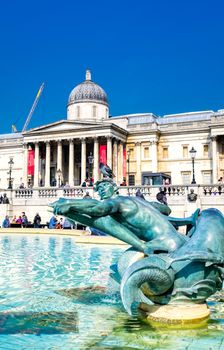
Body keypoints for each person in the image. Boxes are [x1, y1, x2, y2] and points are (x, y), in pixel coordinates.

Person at [51, 179, 195, 255]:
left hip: (164, 246)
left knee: (104, 220)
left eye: (103, 187)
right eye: (98, 189)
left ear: (115, 188)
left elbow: (98, 210)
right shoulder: (138, 201)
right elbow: (166, 210)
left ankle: (143, 247)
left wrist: (70, 205)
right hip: (180, 242)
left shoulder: (115, 203)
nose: (100, 191)